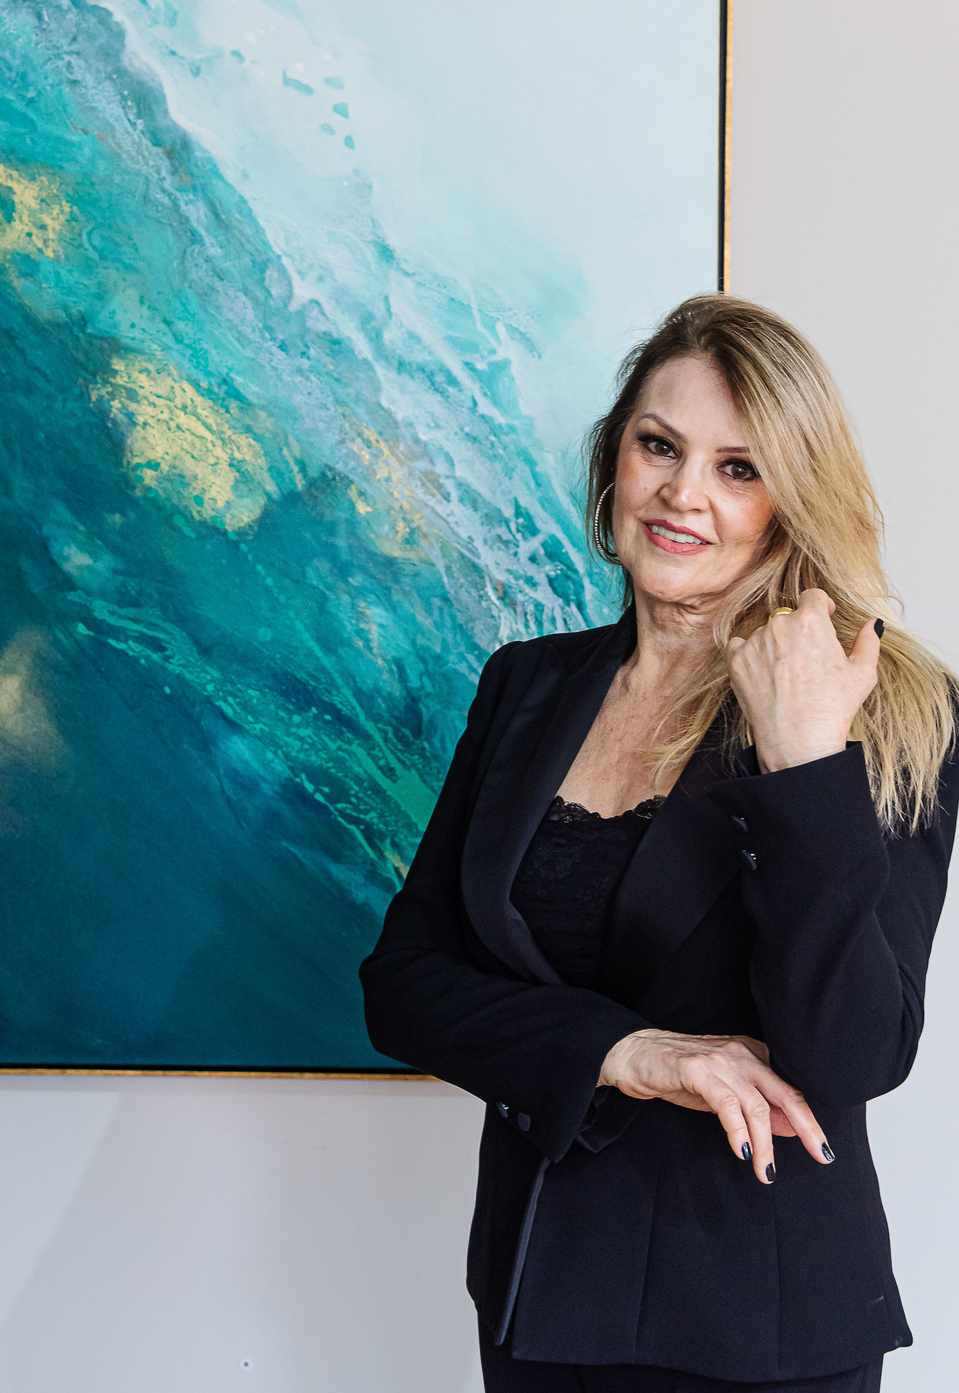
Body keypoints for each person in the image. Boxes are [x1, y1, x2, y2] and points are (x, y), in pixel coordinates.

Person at [360, 294, 957, 1393]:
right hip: (537, 1300)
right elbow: (402, 986)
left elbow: (855, 1055)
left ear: (793, 498)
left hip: (757, 1325)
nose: (685, 493)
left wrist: (805, 764)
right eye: (660, 446)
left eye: (739, 468)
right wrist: (624, 1051)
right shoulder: (526, 684)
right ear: (615, 460)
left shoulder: (887, 706)